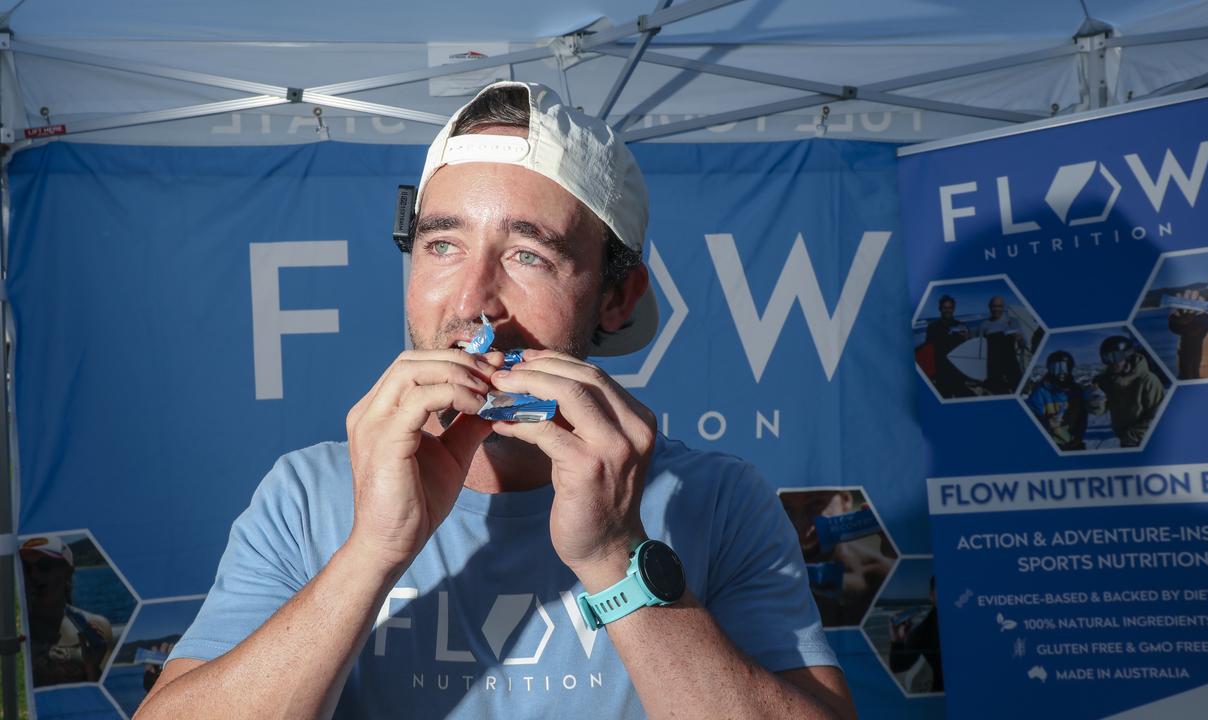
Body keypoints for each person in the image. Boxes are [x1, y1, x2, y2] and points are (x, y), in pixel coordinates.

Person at [141, 82, 854, 719]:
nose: (474, 305)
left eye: (528, 255)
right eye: (442, 244)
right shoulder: (309, 495)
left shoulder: (714, 502)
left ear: (615, 298)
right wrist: (374, 550)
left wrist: (615, 554)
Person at [780, 490, 896, 627]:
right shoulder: (761, 571)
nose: (801, 527)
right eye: (785, 507)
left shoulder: (879, 574)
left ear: (845, 501)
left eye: (816, 503)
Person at [19, 536, 113, 686]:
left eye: (45, 565)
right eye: (26, 568)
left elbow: (103, 693)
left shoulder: (96, 627)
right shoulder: (12, 631)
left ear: (68, 571)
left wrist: (92, 667)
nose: (34, 575)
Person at [1090, 336, 1165, 448]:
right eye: (1106, 358)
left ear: (1128, 356)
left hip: (1146, 440)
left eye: (1115, 357)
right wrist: (1095, 402)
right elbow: (1100, 411)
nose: (1111, 363)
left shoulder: (1148, 380)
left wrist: (1132, 436)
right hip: (1126, 440)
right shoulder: (1109, 381)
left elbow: (1158, 416)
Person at [888, 576, 942, 693]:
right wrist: (897, 641)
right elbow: (898, 666)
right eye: (942, 589)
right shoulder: (925, 629)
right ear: (932, 596)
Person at [1025, 350, 1086, 451]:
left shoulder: (1076, 391)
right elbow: (1030, 418)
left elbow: (1082, 417)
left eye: (1064, 368)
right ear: (1049, 369)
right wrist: (1046, 423)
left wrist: (1078, 437)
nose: (1061, 373)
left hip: (1074, 443)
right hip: (1051, 445)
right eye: (1055, 368)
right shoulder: (1041, 392)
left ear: (1070, 368)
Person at [924, 294, 971, 398]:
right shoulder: (932, 327)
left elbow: (969, 350)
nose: (947, 310)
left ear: (954, 309)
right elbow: (928, 351)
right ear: (940, 309)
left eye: (950, 308)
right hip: (941, 371)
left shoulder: (961, 326)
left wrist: (967, 338)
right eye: (945, 308)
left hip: (958, 370)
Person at [978, 295, 1025, 394]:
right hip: (993, 369)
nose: (996, 309)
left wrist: (1020, 339)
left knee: (1018, 393)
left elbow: (1023, 344)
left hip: (1012, 365)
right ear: (989, 307)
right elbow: (979, 349)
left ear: (1003, 307)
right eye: (994, 306)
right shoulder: (983, 325)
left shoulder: (1013, 321)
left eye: (999, 306)